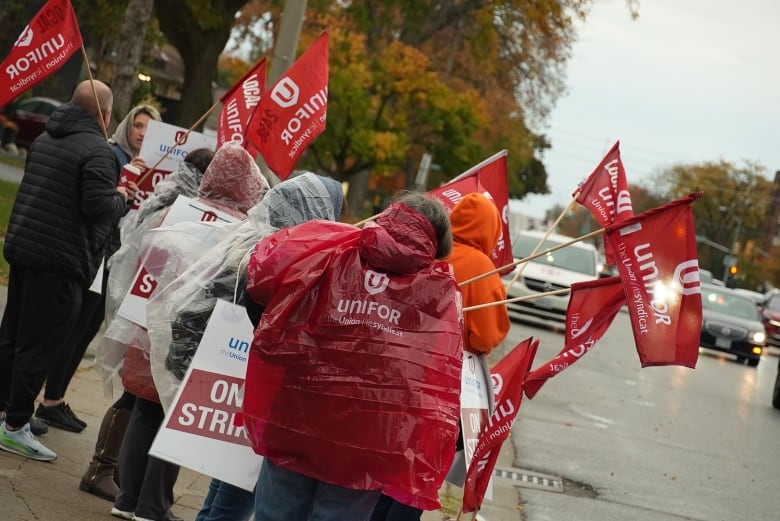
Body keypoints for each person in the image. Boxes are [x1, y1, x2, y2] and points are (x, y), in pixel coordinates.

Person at [243, 191, 464, 521]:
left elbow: (259, 289)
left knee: (277, 510)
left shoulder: (330, 252)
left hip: (296, 411)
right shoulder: (438, 291)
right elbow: (436, 375)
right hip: (372, 436)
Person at [142, 172, 346, 521]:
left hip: (223, 379)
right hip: (254, 386)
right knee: (238, 488)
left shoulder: (250, 238)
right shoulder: (288, 254)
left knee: (228, 477)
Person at [110, 142, 268, 521]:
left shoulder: (177, 210)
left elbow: (147, 258)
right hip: (193, 336)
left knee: (146, 411)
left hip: (150, 323)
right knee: (173, 419)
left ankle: (127, 499)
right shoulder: (242, 230)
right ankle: (152, 507)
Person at [0, 79, 135, 462]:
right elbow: (97, 208)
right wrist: (121, 199)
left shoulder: (46, 137)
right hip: (60, 261)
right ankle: (15, 426)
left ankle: (4, 411)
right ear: (106, 114)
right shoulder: (98, 150)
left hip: (25, 249)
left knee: (11, 338)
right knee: (37, 347)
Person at [79, 147, 215, 504]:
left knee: (138, 395)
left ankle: (122, 471)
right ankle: (100, 469)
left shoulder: (172, 199)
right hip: (146, 311)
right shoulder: (181, 207)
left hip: (142, 309)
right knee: (133, 394)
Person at [371, 191, 511, 521]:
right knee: (421, 470)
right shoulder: (482, 269)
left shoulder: (430, 250)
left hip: (402, 369)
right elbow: (486, 336)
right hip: (446, 385)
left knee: (388, 464)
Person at [37, 104, 162, 435]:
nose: (141, 132)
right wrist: (126, 180)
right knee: (76, 326)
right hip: (99, 254)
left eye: (149, 129)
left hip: (122, 257)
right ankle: (49, 400)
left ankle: (56, 397)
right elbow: (100, 202)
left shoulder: (159, 168)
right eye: (137, 125)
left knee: (89, 327)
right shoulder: (112, 155)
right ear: (126, 126)